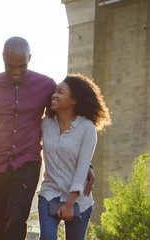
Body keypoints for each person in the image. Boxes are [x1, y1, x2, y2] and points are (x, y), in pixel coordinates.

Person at [0, 36, 95, 240]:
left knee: (15, 224)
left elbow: (63, 126)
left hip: (27, 163)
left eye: (21, 66)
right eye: (10, 66)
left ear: (30, 58)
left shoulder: (45, 85)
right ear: (3, 57)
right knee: (0, 228)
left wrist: (86, 164)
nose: (15, 72)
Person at [38, 74, 111, 240]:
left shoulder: (87, 128)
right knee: (47, 238)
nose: (54, 95)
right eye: (54, 91)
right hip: (50, 192)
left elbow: (82, 167)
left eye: (60, 92)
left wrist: (70, 203)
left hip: (79, 200)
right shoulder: (45, 124)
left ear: (73, 100)